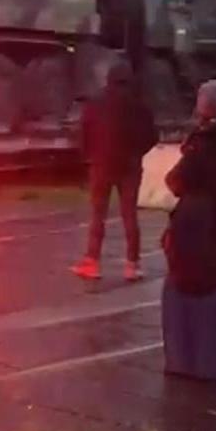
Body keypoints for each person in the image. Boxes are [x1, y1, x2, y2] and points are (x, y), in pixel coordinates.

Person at [71, 61, 159, 281]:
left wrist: (89, 156)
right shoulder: (140, 106)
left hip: (101, 165)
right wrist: (137, 152)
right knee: (129, 215)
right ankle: (132, 265)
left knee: (98, 214)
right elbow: (152, 136)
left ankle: (92, 263)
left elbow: (84, 132)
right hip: (130, 166)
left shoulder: (95, 102)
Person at [162, 80, 216, 379]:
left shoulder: (203, 144)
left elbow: (175, 181)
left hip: (197, 230)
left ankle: (184, 362)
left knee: (184, 290)